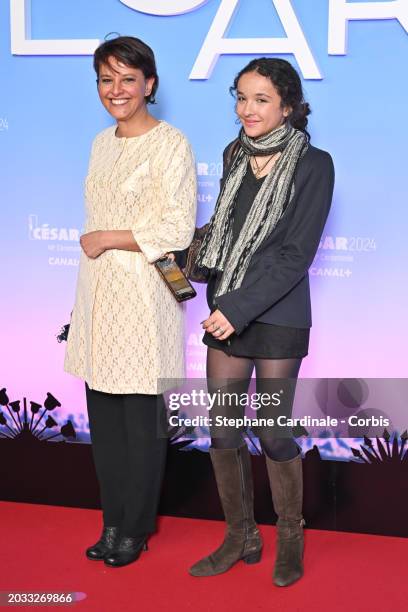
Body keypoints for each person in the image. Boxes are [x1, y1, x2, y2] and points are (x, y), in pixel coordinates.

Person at [189, 58, 334, 586]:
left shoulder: (315, 164)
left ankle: (289, 535)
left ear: (288, 107)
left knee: (272, 430)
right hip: (226, 310)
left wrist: (238, 309)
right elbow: (231, 231)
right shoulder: (235, 154)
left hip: (275, 315)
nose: (246, 109)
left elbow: (295, 254)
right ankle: (240, 536)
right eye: (242, 97)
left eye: (261, 100)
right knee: (223, 430)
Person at [64, 36, 196, 567]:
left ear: (150, 84)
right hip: (98, 294)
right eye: (106, 79)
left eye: (126, 78)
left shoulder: (172, 143)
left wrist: (108, 237)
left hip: (145, 293)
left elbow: (175, 225)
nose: (115, 90)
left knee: (141, 421)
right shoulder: (101, 143)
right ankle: (112, 521)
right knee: (106, 419)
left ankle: (136, 530)